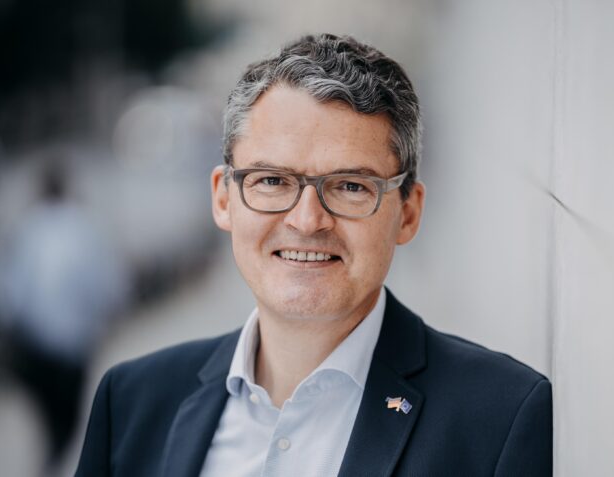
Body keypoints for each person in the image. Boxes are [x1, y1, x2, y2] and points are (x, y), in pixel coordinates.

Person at [76, 33, 552, 476]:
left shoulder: (501, 415)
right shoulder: (132, 400)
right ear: (224, 199)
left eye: (349, 186)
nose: (307, 221)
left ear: (408, 212)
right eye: (272, 181)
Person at [0, 161, 128, 475]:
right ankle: (55, 463)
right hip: (74, 346)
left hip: (36, 345)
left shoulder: (27, 228)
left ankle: (51, 462)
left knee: (49, 418)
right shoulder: (85, 226)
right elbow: (109, 283)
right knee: (69, 418)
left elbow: (11, 291)